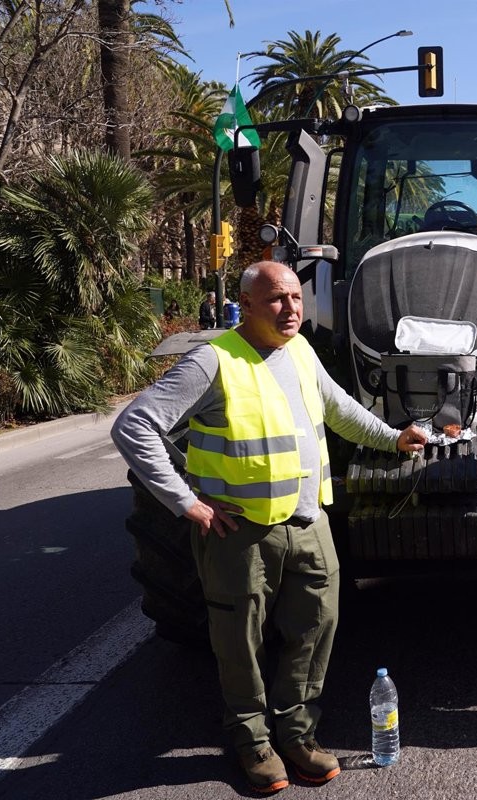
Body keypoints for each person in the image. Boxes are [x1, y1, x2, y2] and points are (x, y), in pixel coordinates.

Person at [112, 261, 427, 793]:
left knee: (314, 631)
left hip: (308, 523)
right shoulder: (213, 361)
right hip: (241, 534)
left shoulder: (300, 351)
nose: (291, 309)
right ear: (248, 304)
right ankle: (253, 741)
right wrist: (186, 502)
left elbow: (338, 409)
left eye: (296, 299)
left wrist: (393, 438)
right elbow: (135, 425)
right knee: (239, 641)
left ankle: (298, 733)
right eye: (276, 299)